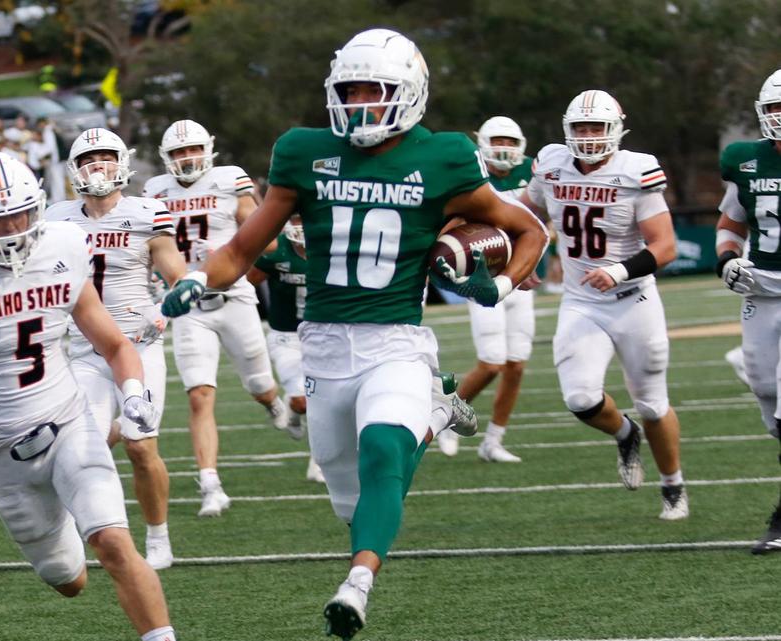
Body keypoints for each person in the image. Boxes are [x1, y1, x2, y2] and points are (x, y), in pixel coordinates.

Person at [160, 29, 545, 640]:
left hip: (396, 339)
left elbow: (530, 232)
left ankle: (357, 583)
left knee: (383, 451)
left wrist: (498, 287)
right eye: (351, 90)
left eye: (377, 90)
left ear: (410, 93)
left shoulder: (443, 154)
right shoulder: (302, 151)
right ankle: (438, 415)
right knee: (352, 496)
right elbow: (240, 248)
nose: (362, 103)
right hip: (323, 346)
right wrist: (198, 279)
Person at [0, 151, 177, 641]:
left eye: (18, 214)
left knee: (112, 542)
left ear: (37, 207)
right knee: (70, 580)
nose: (10, 229)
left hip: (70, 423)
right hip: (4, 452)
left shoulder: (62, 248)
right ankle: (62, 523)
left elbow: (113, 344)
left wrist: (133, 392)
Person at [518, 89, 686, 521]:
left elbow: (664, 246)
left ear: (617, 130)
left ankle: (673, 486)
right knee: (579, 398)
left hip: (633, 299)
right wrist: (525, 257)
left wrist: (618, 271)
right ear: (566, 130)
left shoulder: (636, 170)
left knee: (652, 401)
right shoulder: (551, 163)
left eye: (597, 127)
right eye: (580, 128)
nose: (589, 136)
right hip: (581, 300)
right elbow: (526, 215)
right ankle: (625, 434)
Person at [46, 128, 188, 569]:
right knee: (81, 444)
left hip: (138, 346)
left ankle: (158, 534)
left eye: (107, 158)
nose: (98, 167)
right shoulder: (57, 219)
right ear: (74, 170)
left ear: (122, 163)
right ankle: (83, 524)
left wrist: (172, 301)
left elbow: (176, 274)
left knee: (140, 445)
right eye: (89, 160)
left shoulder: (147, 213)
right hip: (87, 353)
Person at [143, 119, 291, 518]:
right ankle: (210, 484)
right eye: (178, 153)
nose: (187, 158)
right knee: (199, 394)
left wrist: (233, 246)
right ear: (166, 158)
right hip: (188, 306)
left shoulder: (229, 179)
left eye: (192, 150)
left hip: (235, 297)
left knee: (260, 384)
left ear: (208, 150)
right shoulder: (154, 191)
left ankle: (273, 402)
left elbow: (263, 230)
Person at [441, 116, 538, 462]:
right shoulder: (471, 174)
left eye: (511, 142)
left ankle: (493, 440)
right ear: (481, 142)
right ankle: (445, 416)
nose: (504, 148)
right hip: (484, 280)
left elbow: (542, 223)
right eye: (497, 140)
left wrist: (534, 262)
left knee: (516, 365)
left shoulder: (534, 170)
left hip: (520, 281)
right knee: (492, 363)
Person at [714, 68, 781, 553]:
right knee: (765, 392)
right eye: (776, 108)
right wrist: (726, 260)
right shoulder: (745, 162)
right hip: (761, 289)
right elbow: (731, 220)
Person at [247, 214, 325, 482]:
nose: (301, 226)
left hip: (324, 334)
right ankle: (294, 413)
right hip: (285, 337)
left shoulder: (332, 247)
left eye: (306, 218)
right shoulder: (275, 251)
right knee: (303, 401)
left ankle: (319, 461)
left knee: (325, 401)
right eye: (295, 220)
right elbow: (247, 283)